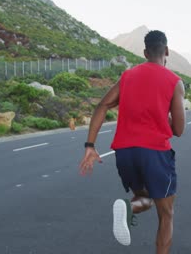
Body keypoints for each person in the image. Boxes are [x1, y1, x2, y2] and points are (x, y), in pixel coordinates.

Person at [79, 30, 185, 254]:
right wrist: (162, 113)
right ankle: (128, 208)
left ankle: (129, 206)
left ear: (145, 52)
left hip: (125, 152)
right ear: (166, 51)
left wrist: (90, 145)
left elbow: (102, 106)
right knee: (166, 214)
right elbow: (179, 129)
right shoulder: (175, 82)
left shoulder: (127, 76)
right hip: (155, 153)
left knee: (144, 197)